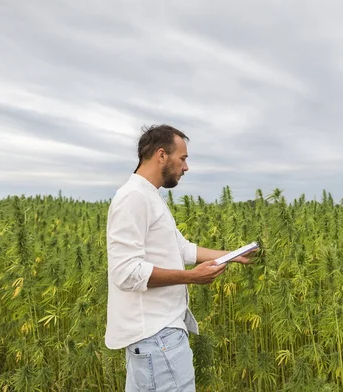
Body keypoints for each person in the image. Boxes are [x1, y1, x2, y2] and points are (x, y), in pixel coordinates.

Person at [105, 124, 252, 391]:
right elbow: (125, 272)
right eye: (182, 158)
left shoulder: (150, 196)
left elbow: (181, 249)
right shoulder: (134, 197)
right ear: (162, 155)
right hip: (157, 340)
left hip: (158, 339)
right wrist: (191, 278)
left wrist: (233, 255)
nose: (186, 167)